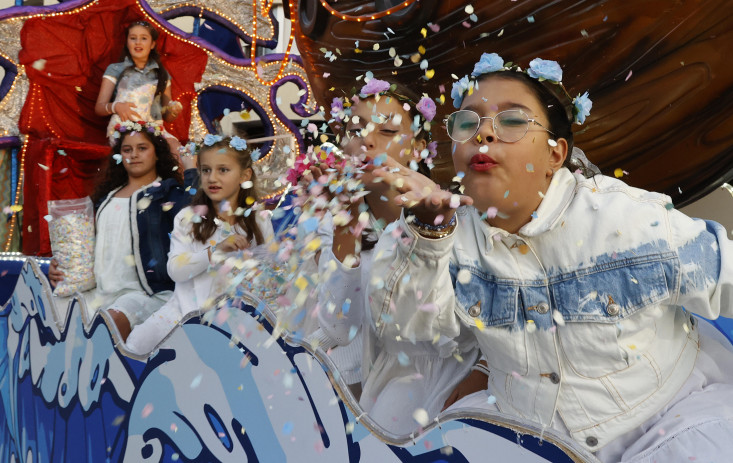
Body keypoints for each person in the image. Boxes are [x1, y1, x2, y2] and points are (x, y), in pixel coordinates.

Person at [367, 52, 733, 461]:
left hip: (666, 419)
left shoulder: (625, 220)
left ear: (555, 155)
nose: (483, 135)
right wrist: (427, 235)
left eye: (512, 121)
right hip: (531, 430)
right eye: (468, 123)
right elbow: (414, 336)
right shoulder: (445, 233)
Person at [289, 79, 477, 434]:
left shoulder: (455, 211)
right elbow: (339, 330)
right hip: (387, 373)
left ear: (420, 147)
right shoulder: (336, 221)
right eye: (355, 130)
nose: (368, 142)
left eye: (388, 130)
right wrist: (345, 221)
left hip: (457, 372)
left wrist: (480, 373)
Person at [125, 135, 275, 355]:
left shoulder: (259, 219)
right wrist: (215, 251)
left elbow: (269, 277)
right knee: (136, 343)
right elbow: (175, 270)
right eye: (205, 170)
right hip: (183, 314)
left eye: (223, 170)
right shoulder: (187, 217)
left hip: (237, 321)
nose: (212, 178)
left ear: (245, 175)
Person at [49, 121, 198, 341]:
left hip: (145, 294)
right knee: (51, 314)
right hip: (97, 292)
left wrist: (191, 169)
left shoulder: (166, 192)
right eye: (127, 149)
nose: (134, 155)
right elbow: (87, 245)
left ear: (157, 154)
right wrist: (64, 265)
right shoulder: (104, 198)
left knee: (109, 325)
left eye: (142, 148)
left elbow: (196, 214)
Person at [95, 20, 183, 154]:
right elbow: (99, 108)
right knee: (142, 149)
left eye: (144, 38)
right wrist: (115, 106)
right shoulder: (115, 69)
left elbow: (167, 115)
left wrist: (173, 110)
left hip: (154, 128)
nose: (138, 42)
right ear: (127, 42)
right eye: (133, 38)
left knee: (178, 151)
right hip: (125, 128)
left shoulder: (162, 74)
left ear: (152, 44)